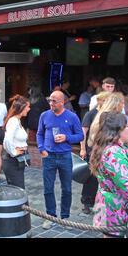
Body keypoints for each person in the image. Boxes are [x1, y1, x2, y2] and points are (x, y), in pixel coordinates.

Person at [37, 90, 84, 230]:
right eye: (50, 100)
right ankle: (50, 216)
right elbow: (40, 134)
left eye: (54, 101)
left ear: (63, 102)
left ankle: (65, 217)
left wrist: (67, 137)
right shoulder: (44, 115)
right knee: (48, 189)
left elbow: (80, 136)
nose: (51, 103)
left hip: (65, 156)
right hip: (49, 156)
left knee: (67, 189)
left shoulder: (72, 116)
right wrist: (41, 149)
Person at [79, 91, 111, 214]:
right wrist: (82, 149)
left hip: (105, 150)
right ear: (99, 101)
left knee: (104, 177)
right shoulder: (90, 114)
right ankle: (87, 202)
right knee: (90, 178)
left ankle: (102, 202)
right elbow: (83, 133)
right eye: (105, 101)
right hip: (92, 150)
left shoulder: (108, 115)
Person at [2, 95, 31, 189]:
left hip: (16, 161)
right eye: (27, 107)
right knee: (18, 192)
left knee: (19, 191)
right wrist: (14, 152)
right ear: (21, 108)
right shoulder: (13, 121)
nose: (29, 109)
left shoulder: (17, 121)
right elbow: (7, 140)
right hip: (13, 162)